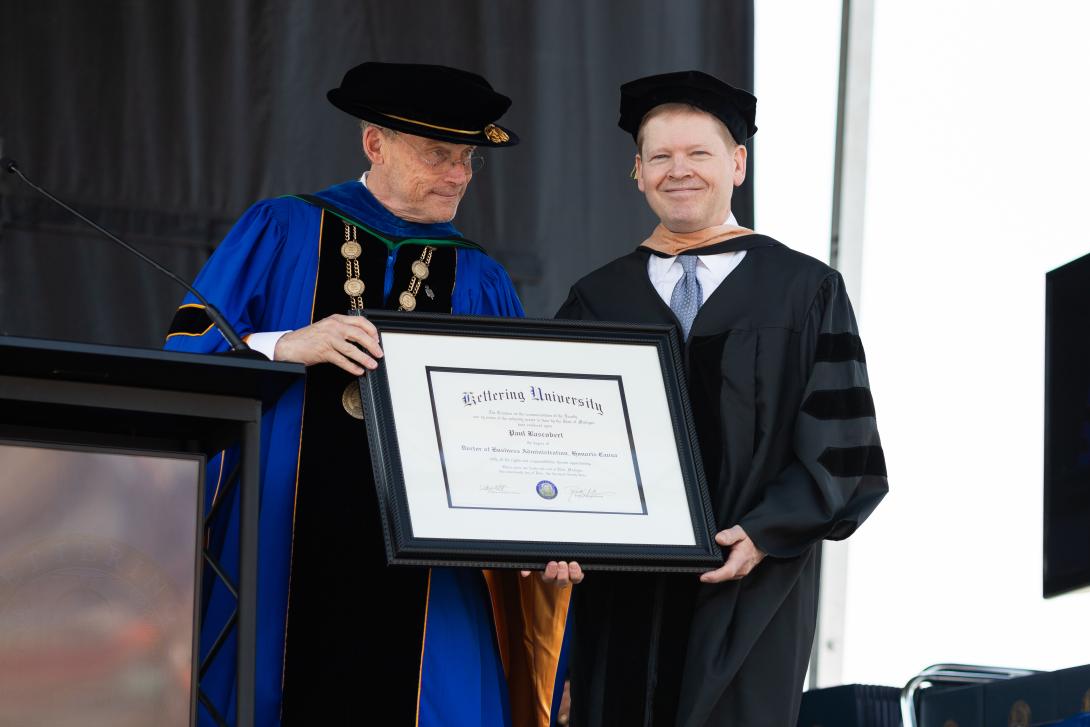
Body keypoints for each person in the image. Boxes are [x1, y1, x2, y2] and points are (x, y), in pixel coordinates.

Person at [166, 61, 579, 727]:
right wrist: (281, 344)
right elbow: (187, 352)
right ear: (375, 143)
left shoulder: (478, 275)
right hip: (282, 544)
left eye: (468, 159)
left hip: (427, 571)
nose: (459, 176)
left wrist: (545, 528)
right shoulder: (281, 229)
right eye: (438, 154)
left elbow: (511, 433)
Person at [555, 70, 888, 726]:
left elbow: (846, 452)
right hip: (620, 601)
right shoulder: (596, 299)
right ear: (639, 172)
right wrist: (559, 525)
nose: (679, 170)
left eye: (699, 154)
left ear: (737, 164)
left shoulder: (802, 290)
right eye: (660, 156)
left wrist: (765, 533)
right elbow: (562, 439)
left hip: (747, 589)